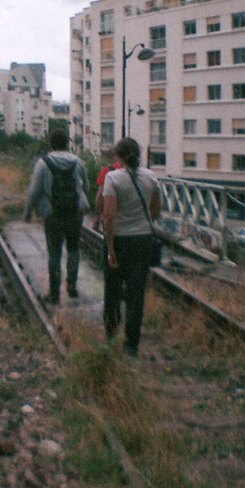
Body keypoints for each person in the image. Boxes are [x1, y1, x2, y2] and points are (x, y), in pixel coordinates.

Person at [102, 137, 160, 357]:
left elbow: (109, 217)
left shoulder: (113, 178)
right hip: (143, 240)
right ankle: (131, 345)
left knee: (113, 291)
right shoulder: (151, 177)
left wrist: (110, 250)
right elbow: (156, 212)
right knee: (136, 295)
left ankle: (111, 337)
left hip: (119, 240)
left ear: (119, 156)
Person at [23, 128, 89, 304]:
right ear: (67, 143)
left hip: (53, 214)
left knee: (54, 252)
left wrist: (28, 212)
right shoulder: (78, 162)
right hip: (75, 212)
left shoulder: (43, 163)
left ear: (51, 143)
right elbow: (86, 187)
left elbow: (34, 191)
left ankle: (54, 292)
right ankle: (72, 286)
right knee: (74, 249)